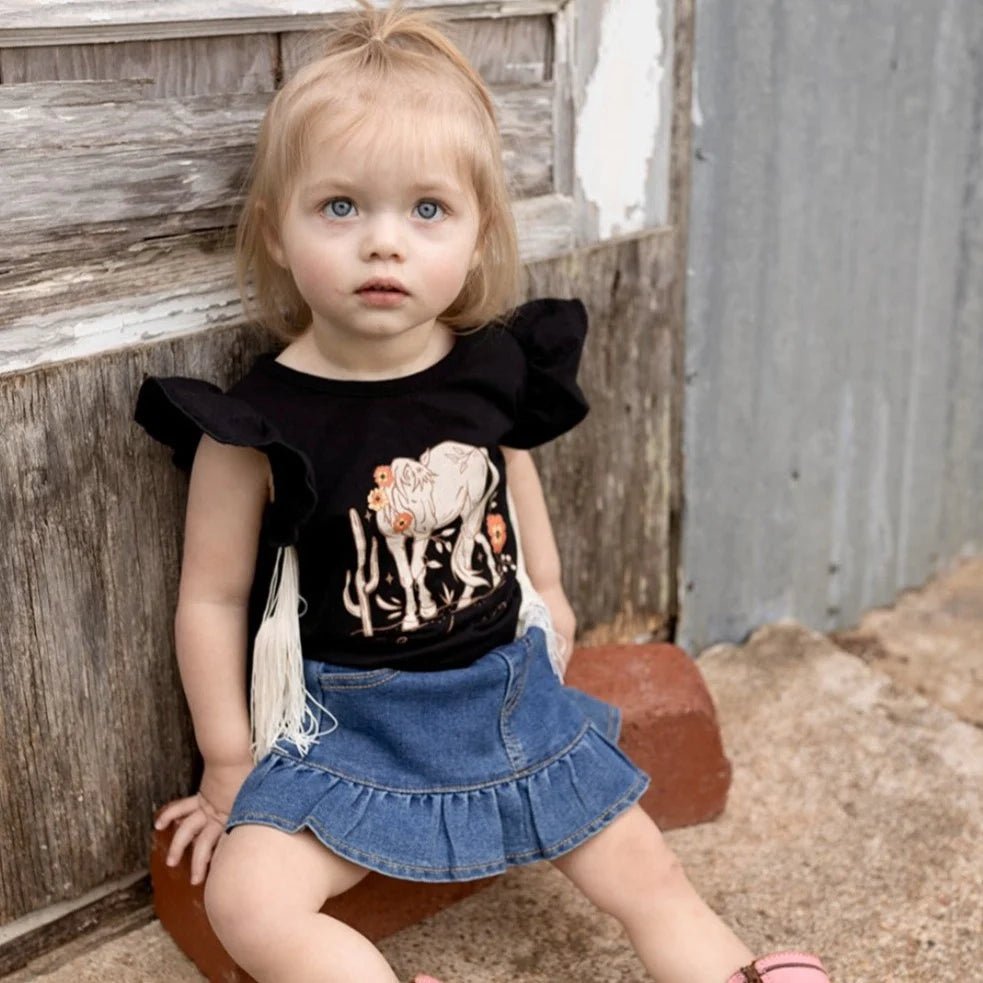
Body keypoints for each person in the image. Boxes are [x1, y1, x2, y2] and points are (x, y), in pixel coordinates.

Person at [134, 4, 831, 982]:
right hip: (349, 728)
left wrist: (548, 593)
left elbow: (512, 480)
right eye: (340, 206)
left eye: (426, 210)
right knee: (248, 895)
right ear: (276, 232)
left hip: (502, 696)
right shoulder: (255, 424)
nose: (384, 243)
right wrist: (225, 757)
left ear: (474, 232)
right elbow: (210, 595)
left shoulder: (486, 372)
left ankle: (726, 970)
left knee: (643, 866)